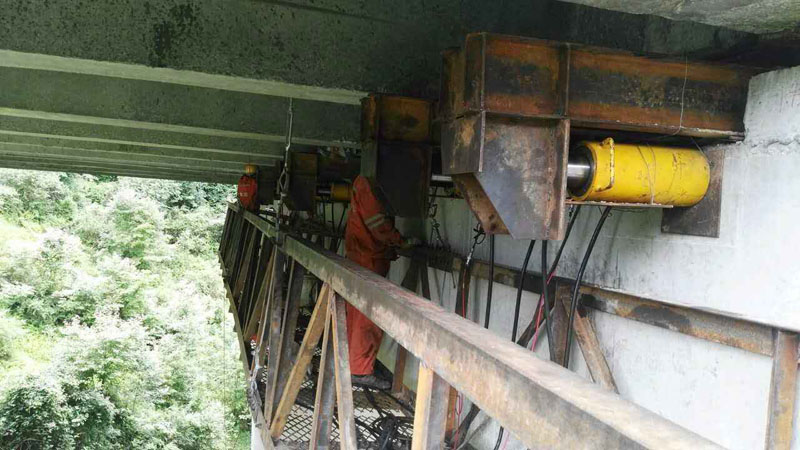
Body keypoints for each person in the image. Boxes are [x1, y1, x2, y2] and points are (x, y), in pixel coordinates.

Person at [343, 175, 417, 389]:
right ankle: (360, 371)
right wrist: (400, 241)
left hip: (361, 257)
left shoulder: (363, 182)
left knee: (356, 316)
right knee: (367, 319)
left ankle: (353, 364)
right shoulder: (367, 185)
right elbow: (377, 224)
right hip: (368, 260)